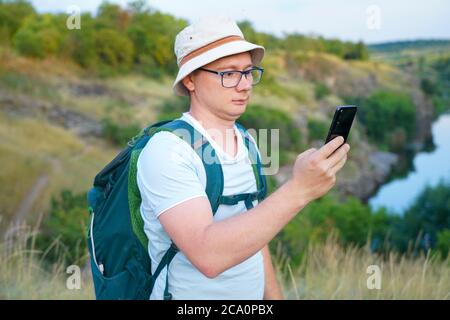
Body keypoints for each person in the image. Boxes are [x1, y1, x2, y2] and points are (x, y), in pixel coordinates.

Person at [136, 16, 350, 300]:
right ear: (190, 79)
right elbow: (207, 256)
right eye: (229, 73)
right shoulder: (167, 150)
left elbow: (254, 231)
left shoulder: (247, 142)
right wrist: (299, 189)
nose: (245, 85)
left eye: (249, 72)